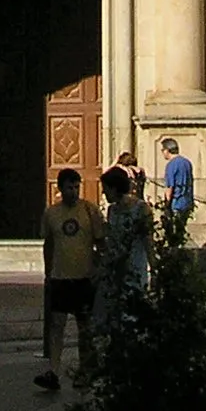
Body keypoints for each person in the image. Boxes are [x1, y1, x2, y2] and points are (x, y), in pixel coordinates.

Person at [36, 167, 103, 392]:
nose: (73, 192)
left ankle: (85, 370)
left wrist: (98, 270)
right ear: (60, 188)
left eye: (76, 187)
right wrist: (47, 273)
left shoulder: (89, 210)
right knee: (56, 325)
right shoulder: (51, 214)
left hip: (83, 278)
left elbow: (100, 242)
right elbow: (49, 244)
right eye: (69, 187)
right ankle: (53, 370)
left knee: (85, 327)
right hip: (60, 277)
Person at [92, 163, 154, 337]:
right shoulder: (112, 210)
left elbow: (148, 240)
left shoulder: (141, 209)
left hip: (133, 266)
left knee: (131, 314)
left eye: (106, 189)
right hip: (114, 268)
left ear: (115, 188)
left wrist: (155, 267)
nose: (104, 193)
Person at [160, 135, 194, 231]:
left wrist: (167, 204)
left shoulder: (171, 165)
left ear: (167, 150)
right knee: (182, 229)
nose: (162, 153)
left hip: (176, 202)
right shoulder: (187, 162)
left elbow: (170, 186)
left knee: (174, 231)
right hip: (187, 201)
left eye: (162, 150)